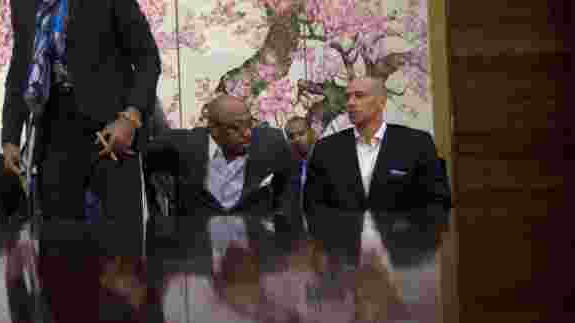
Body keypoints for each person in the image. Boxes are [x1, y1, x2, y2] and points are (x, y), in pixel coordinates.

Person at [1, 0, 161, 226]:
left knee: (121, 239)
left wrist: (130, 119)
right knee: (59, 241)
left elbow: (146, 57)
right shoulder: (24, 0)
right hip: (53, 135)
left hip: (109, 131)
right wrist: (10, 138)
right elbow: (19, 72)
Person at [303, 75, 452, 212]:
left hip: (401, 231)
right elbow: (313, 205)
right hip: (343, 232)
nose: (350, 103)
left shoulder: (417, 144)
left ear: (381, 102)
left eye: (359, 96)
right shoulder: (326, 149)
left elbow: (438, 201)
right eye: (347, 97)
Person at [143, 93, 296, 217]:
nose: (247, 133)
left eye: (250, 124)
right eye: (236, 128)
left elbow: (289, 178)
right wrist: (156, 213)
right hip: (197, 241)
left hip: (255, 239)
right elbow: (141, 165)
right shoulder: (182, 146)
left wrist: (281, 218)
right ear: (214, 129)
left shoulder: (271, 143)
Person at [284, 116, 316, 211]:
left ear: (312, 133)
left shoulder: (325, 159)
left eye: (301, 134)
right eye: (291, 137)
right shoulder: (293, 169)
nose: (296, 139)